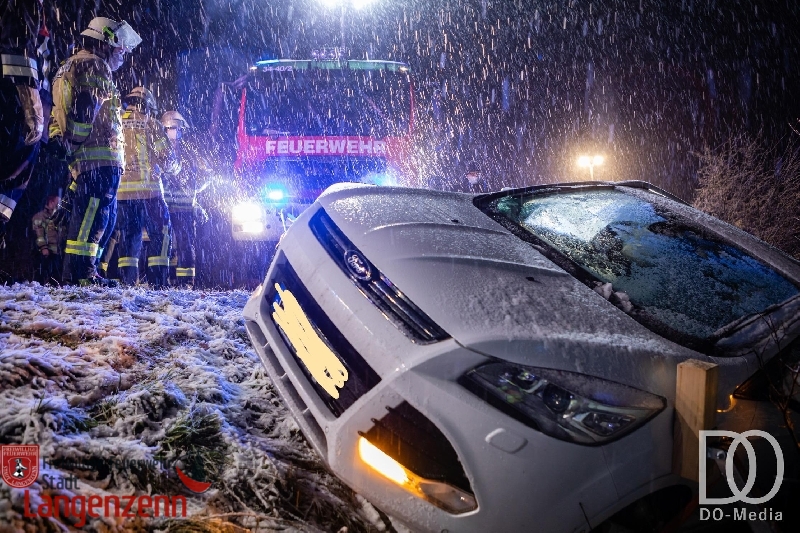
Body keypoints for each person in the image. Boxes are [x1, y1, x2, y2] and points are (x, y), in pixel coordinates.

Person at [49, 16, 141, 286]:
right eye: (119, 46)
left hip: (88, 159)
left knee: (101, 219)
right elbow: (86, 107)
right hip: (98, 158)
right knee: (94, 217)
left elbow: (60, 112)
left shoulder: (69, 64)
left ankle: (84, 272)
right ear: (105, 42)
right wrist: (76, 141)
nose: (123, 52)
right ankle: (82, 275)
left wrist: (66, 144)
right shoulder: (95, 64)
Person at [116, 87, 179, 288]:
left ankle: (127, 283)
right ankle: (157, 282)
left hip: (122, 194)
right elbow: (167, 159)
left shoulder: (117, 121)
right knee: (161, 234)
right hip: (149, 192)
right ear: (147, 105)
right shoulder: (150, 123)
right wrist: (175, 167)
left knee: (128, 237)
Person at [0, 0, 44, 249]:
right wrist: (31, 99)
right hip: (11, 96)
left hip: (11, 95)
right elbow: (19, 45)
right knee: (15, 168)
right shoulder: (23, 5)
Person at [161, 110, 210, 288]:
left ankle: (186, 283)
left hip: (183, 207)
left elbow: (207, 174)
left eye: (176, 129)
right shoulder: (161, 149)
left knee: (184, 245)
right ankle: (163, 280)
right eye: (170, 128)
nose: (174, 132)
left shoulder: (190, 152)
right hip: (165, 206)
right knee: (165, 244)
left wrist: (193, 190)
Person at [31, 194, 66, 284]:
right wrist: (44, 248)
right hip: (46, 252)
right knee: (42, 274)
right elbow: (39, 235)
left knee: (56, 277)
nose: (59, 205)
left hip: (58, 252)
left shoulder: (59, 218)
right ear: (51, 202)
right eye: (57, 203)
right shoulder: (39, 216)